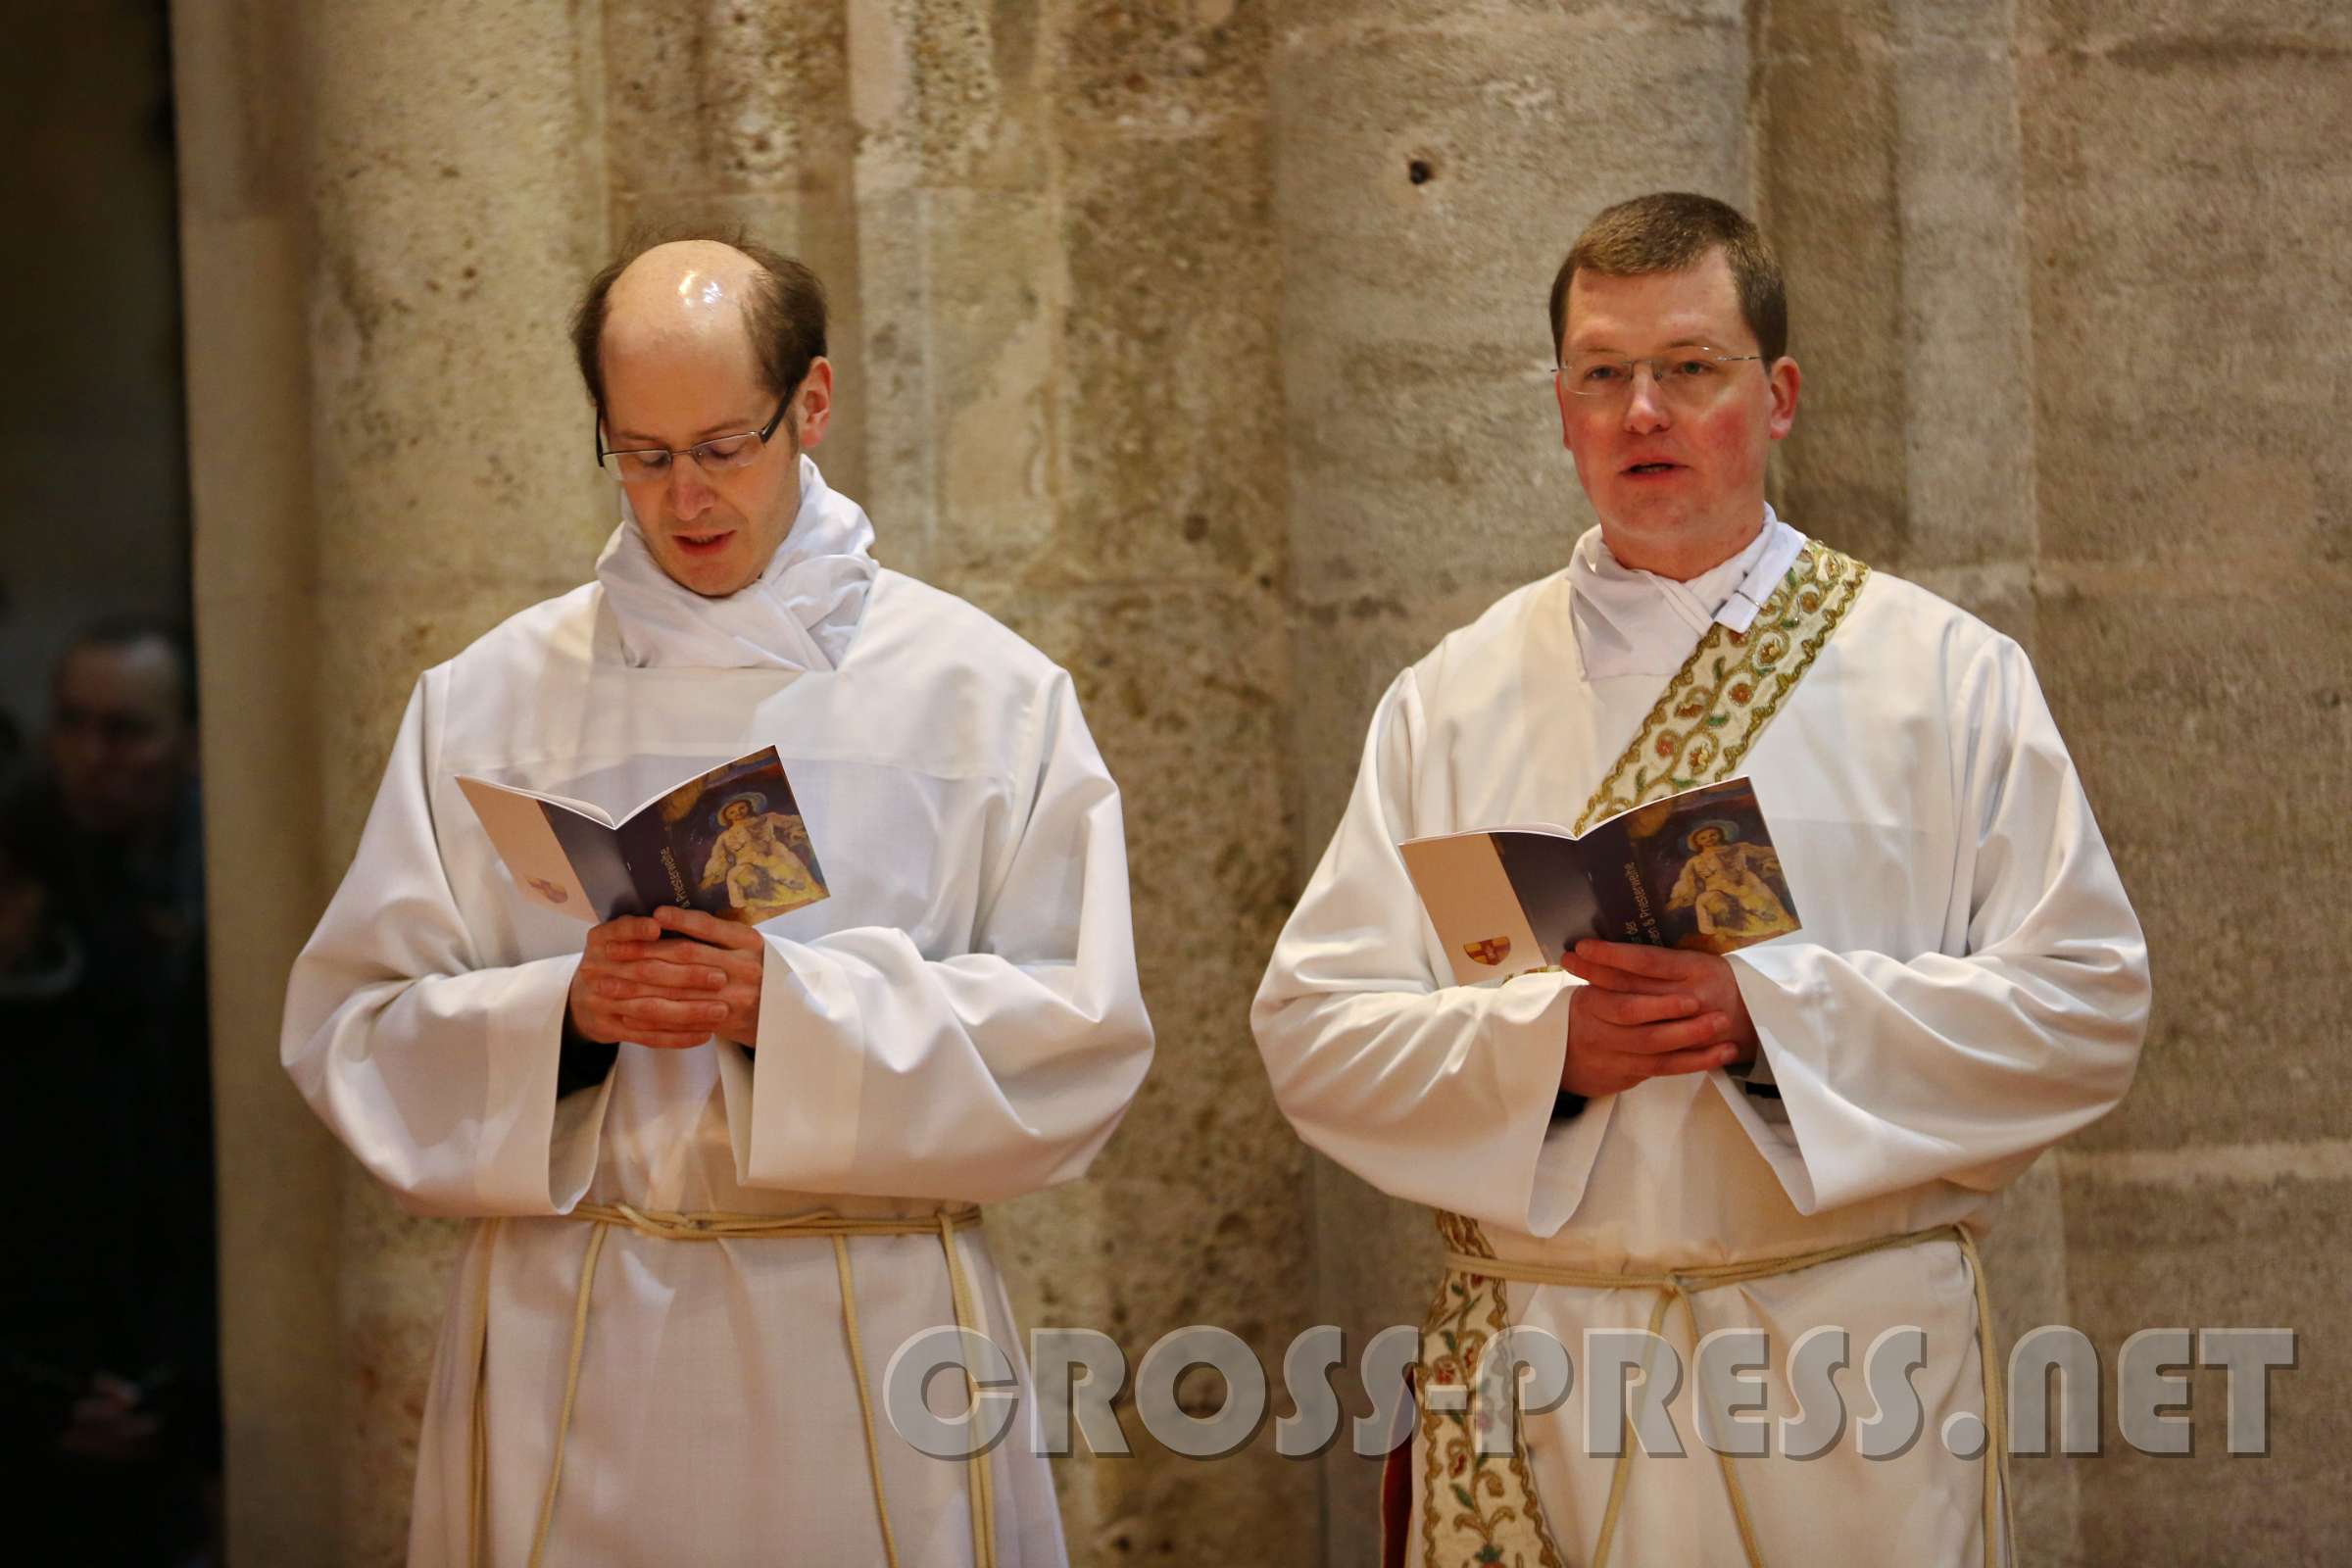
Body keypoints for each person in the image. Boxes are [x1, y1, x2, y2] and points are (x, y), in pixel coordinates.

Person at [1251, 192, 2148, 1566]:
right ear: (1560, 409)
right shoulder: (1452, 699)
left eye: (1689, 368)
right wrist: (1547, 1051)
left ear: (1777, 396)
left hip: (1847, 1385)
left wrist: (1771, 1020)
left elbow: (2084, 1007)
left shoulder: (1944, 678)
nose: (1641, 412)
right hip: (1549, 1368)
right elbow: (1314, 1033)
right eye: (1601, 374)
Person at [282, 234, 1153, 1567]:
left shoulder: (985, 695)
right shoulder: (487, 699)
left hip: (866, 1330)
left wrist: (788, 1010)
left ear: (812, 404)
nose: (684, 497)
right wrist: (566, 1019)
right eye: (641, 455)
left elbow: (1079, 1040)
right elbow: (351, 1030)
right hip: (573, 1333)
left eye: (722, 447)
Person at [1, 618, 220, 1565]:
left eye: (126, 731)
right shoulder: (22, 855)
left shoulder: (232, 873)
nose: (94, 756)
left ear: (192, 742)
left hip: (183, 1344)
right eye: (73, 724)